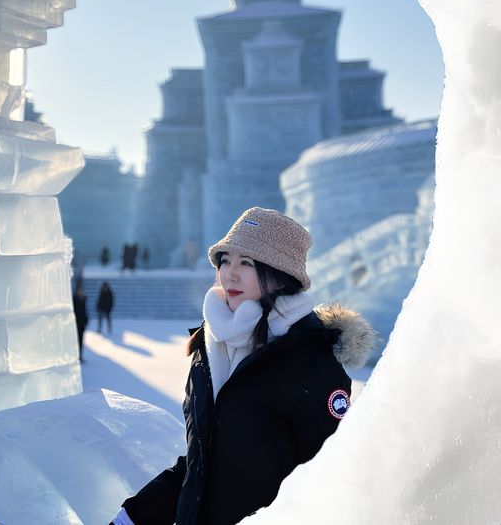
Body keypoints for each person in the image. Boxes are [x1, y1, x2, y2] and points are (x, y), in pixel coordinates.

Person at [110, 206, 376, 525]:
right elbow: (202, 464)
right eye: (225, 260)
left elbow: (336, 481)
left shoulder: (310, 361)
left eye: (246, 263)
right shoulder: (208, 351)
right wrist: (133, 516)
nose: (230, 273)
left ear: (281, 276)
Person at [72, 280, 89, 362]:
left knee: (81, 341)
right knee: (75, 341)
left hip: (81, 324)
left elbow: (85, 311)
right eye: (79, 291)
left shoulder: (83, 300)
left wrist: (86, 320)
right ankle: (76, 356)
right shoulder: (74, 300)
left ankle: (79, 356)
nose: (81, 292)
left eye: (81, 291)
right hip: (75, 324)